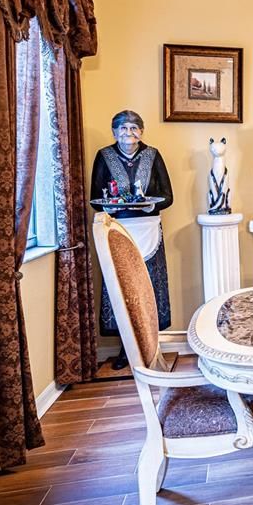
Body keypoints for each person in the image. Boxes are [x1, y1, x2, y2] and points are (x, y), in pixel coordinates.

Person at [90, 110, 174, 369]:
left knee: (150, 286)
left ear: (142, 131)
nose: (129, 133)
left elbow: (167, 196)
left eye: (134, 128)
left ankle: (152, 345)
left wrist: (151, 206)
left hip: (149, 229)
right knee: (122, 285)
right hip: (117, 229)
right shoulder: (104, 156)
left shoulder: (153, 155)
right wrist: (111, 208)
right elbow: (96, 197)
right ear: (114, 132)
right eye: (123, 128)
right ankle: (126, 348)